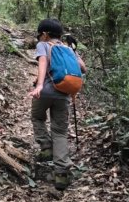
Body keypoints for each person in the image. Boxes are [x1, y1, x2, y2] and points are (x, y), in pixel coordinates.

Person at [29, 19, 86, 190]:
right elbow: (83, 68)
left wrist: (39, 85)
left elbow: (43, 62)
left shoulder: (43, 45)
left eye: (40, 35)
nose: (39, 38)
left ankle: (46, 147)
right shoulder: (68, 48)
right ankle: (61, 174)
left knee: (37, 117)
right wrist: (74, 52)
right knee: (60, 131)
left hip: (45, 91)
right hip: (64, 94)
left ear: (45, 34)